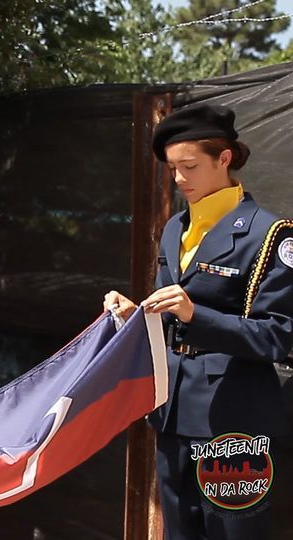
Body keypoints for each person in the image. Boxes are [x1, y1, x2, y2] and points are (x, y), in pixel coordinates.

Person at [104, 104, 293, 540]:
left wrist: (195, 313)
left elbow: (277, 337)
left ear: (224, 158)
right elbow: (170, 320)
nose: (179, 179)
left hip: (235, 419)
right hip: (173, 412)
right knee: (179, 533)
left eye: (189, 166)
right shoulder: (175, 228)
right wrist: (138, 317)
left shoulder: (271, 236)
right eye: (173, 169)